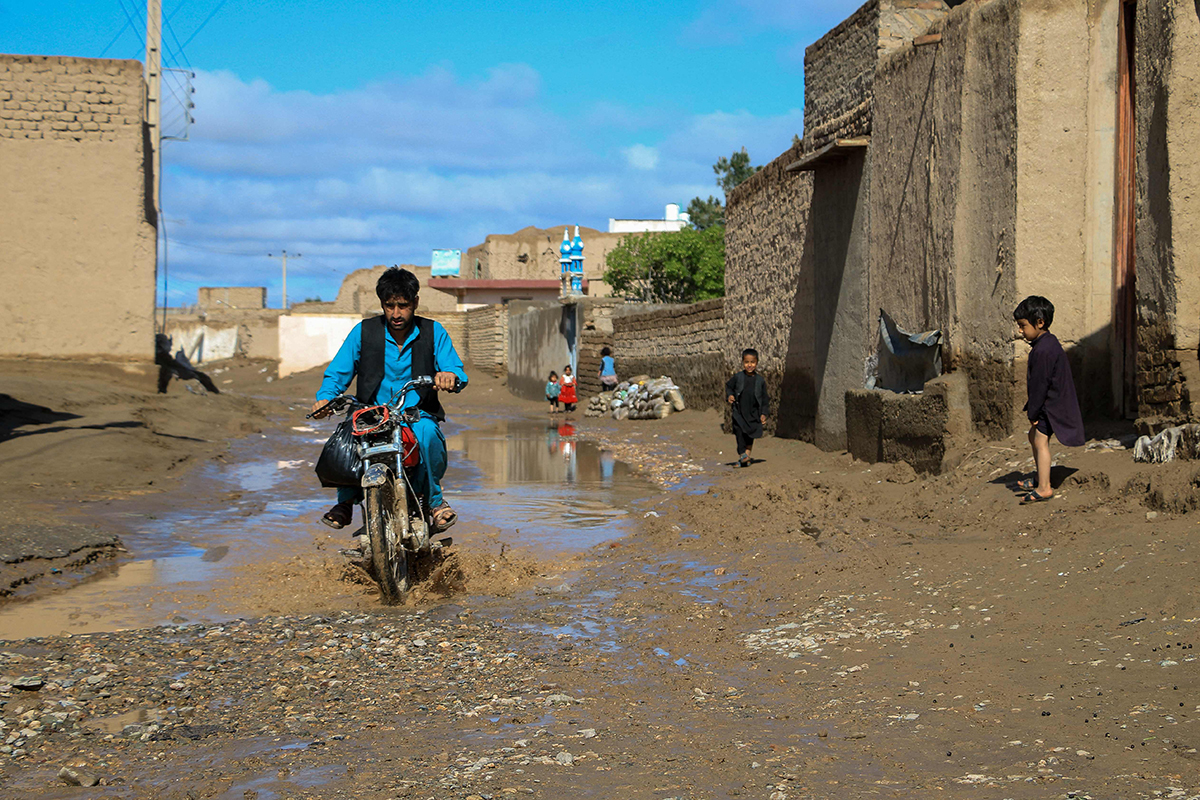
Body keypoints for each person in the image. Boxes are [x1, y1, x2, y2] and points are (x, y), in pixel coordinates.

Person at [310, 267, 468, 532]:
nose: (396, 314)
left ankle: (435, 503)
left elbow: (456, 370)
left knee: (428, 434)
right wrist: (325, 399)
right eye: (389, 306)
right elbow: (337, 373)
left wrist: (450, 376)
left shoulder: (434, 332)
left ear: (415, 303)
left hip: (416, 414)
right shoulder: (363, 332)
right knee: (344, 440)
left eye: (403, 306)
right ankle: (345, 502)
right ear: (382, 304)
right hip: (371, 414)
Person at [1013, 295, 1084, 503]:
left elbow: (1039, 385)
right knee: (1033, 436)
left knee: (1040, 440)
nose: (1020, 331)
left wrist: (1033, 411)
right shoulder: (1047, 343)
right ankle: (1039, 477)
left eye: (1023, 325)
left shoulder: (1043, 350)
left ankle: (1044, 487)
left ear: (1039, 323)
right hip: (1050, 400)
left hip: (1052, 404)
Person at [725, 348, 769, 467]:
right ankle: (742, 454)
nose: (749, 365)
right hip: (739, 411)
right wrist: (730, 395)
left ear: (757, 362)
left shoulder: (760, 381)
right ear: (743, 362)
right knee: (739, 432)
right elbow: (729, 386)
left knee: (750, 435)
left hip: (753, 412)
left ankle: (745, 458)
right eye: (747, 362)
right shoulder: (738, 377)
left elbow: (764, 399)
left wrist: (764, 413)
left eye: (752, 362)